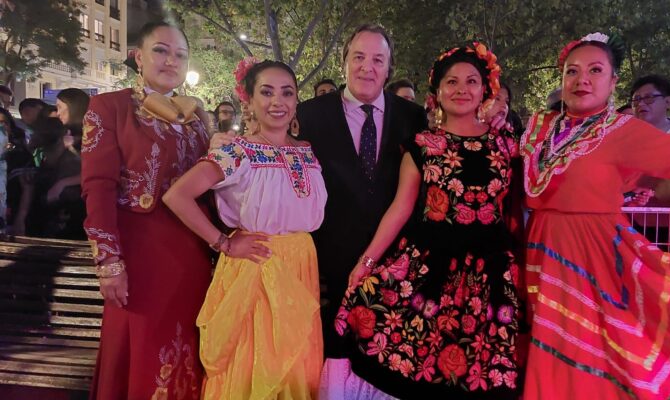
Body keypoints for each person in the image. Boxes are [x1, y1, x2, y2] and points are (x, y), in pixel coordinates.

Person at [521, 32, 670, 399]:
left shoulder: (624, 132)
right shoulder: (539, 128)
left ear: (613, 82)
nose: (582, 80)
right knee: (547, 343)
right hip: (540, 251)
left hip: (592, 258)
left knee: (587, 350)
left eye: (596, 70)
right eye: (572, 71)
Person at [329, 41, 523, 400]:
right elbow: (400, 209)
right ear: (436, 92)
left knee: (480, 368)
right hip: (429, 267)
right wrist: (366, 263)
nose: (461, 90)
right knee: (423, 361)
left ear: (486, 89)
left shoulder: (507, 144)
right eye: (452, 82)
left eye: (471, 81)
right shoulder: (422, 144)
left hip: (490, 274)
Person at [164, 57, 326, 399]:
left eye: (287, 92)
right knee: (255, 364)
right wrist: (222, 242)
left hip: (300, 267)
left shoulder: (308, 152)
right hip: (257, 267)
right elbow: (177, 196)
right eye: (266, 92)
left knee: (296, 366)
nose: (277, 101)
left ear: (297, 100)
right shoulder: (238, 152)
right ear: (249, 101)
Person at [81, 21, 213, 399]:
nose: (171, 60)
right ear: (138, 57)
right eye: (161, 50)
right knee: (143, 346)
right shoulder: (110, 107)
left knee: (188, 344)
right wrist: (109, 262)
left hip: (192, 253)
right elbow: (98, 188)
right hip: (139, 257)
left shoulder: (196, 119)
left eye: (180, 55)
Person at [295, 24, 428, 362]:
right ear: (344, 62)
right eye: (358, 57)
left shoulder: (414, 118)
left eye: (377, 60)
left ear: (389, 68)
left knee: (387, 361)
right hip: (329, 267)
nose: (367, 67)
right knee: (332, 361)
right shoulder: (309, 114)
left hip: (395, 265)